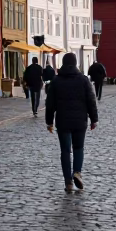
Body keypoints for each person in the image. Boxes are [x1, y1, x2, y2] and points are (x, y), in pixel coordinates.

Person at [45, 52, 98, 193]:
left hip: (63, 120)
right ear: (75, 63)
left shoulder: (56, 81)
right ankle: (77, 172)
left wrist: (49, 122)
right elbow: (91, 100)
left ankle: (68, 182)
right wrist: (94, 119)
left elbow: (49, 103)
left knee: (65, 151)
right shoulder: (83, 80)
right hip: (80, 120)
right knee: (78, 148)